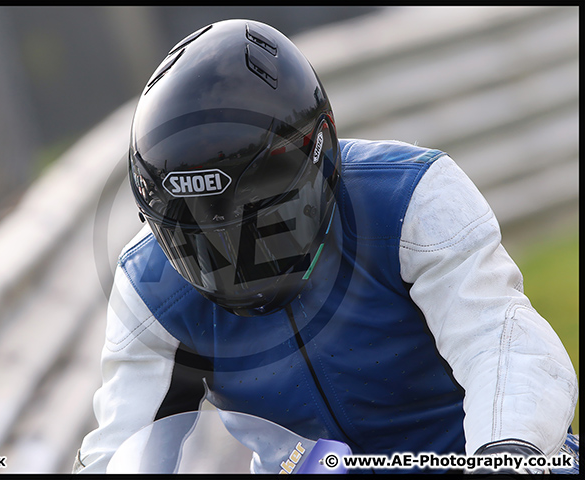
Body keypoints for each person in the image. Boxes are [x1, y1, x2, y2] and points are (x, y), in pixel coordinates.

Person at [73, 19, 578, 474]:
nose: (233, 257)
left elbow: (501, 342)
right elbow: (122, 448)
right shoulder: (148, 286)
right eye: (198, 237)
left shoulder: (410, 198)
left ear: (321, 155)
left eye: (259, 218)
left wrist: (507, 455)